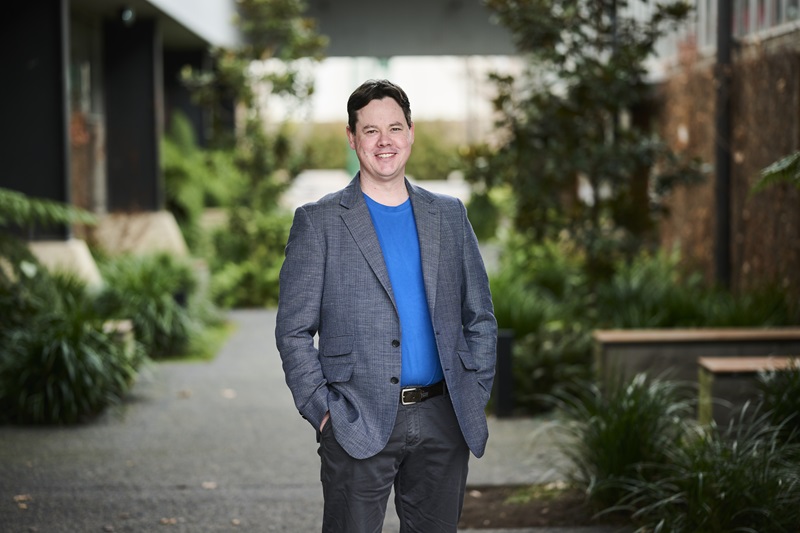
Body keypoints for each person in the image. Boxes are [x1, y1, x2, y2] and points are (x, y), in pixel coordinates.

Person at [275, 79, 497, 533]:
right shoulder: (318, 223)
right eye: (371, 130)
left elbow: (480, 316)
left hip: (444, 417)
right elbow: (293, 331)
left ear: (411, 133)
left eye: (395, 128)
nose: (385, 141)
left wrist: (474, 390)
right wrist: (323, 412)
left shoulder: (450, 216)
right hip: (357, 419)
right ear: (352, 138)